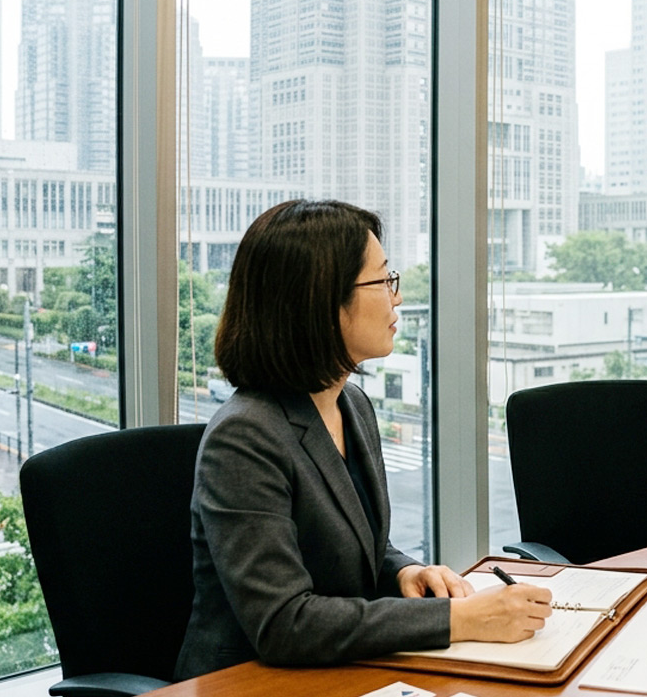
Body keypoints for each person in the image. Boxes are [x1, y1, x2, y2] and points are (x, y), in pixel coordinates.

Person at [175, 200, 552, 679]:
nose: (396, 298)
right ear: (318, 301)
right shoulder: (244, 437)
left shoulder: (351, 404)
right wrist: (460, 619)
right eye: (383, 281)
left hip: (342, 668)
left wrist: (401, 571)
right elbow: (284, 623)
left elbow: (355, 547)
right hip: (248, 683)